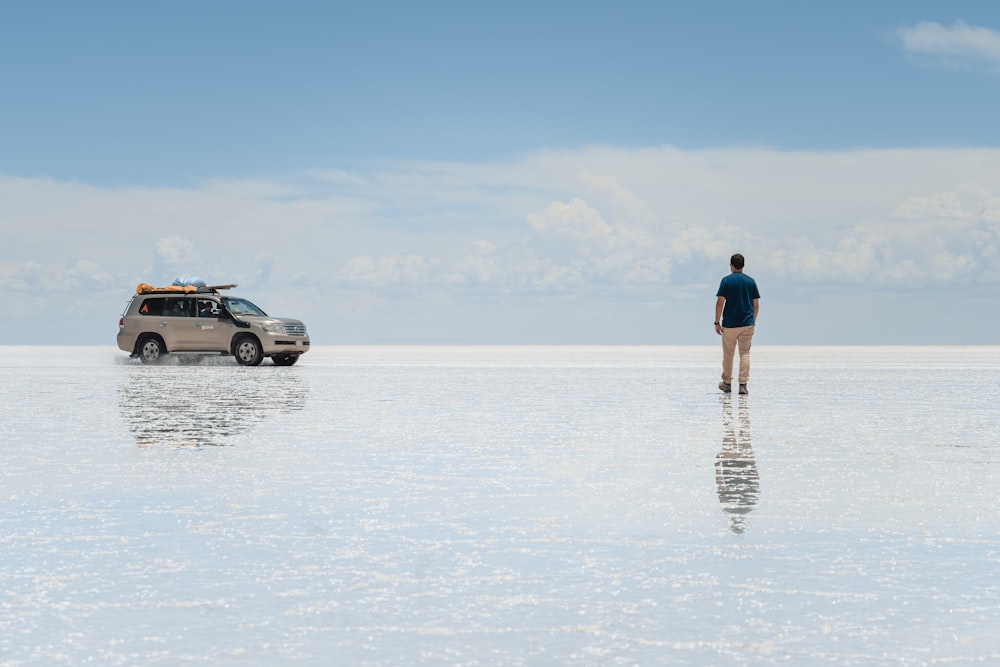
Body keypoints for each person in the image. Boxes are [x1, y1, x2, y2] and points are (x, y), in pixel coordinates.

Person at [714, 253, 760, 395]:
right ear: (743, 265)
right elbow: (756, 304)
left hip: (729, 324)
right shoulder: (751, 281)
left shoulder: (726, 281)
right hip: (747, 323)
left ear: (731, 265)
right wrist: (753, 320)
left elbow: (720, 302)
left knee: (728, 354)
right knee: (745, 353)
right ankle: (743, 384)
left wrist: (716, 322)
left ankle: (727, 383)